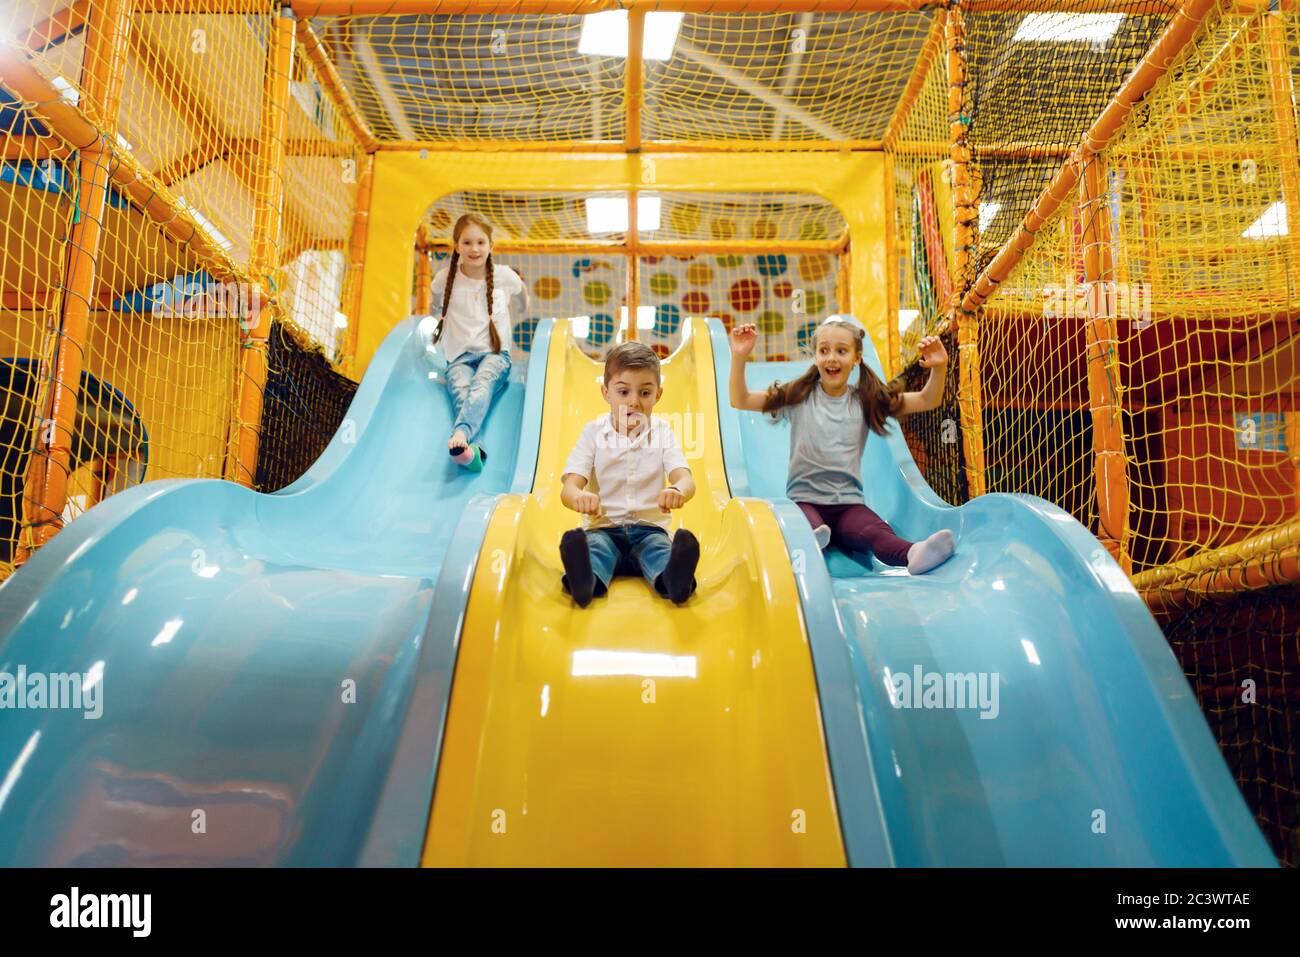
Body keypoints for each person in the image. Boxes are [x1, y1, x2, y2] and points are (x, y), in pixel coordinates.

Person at [728, 316, 955, 574]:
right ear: (815, 356)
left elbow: (928, 399)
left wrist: (939, 368)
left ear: (857, 357)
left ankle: (914, 552)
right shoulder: (797, 397)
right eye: (823, 351)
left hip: (848, 506)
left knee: (876, 532)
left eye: (841, 351)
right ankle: (809, 545)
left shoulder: (866, 400)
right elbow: (741, 399)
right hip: (806, 501)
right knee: (808, 526)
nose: (831, 358)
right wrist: (739, 357)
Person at [558, 341, 700, 607]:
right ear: (606, 392)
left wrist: (678, 491)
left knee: (661, 551)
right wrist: (579, 498)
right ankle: (583, 583)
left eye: (645, 393)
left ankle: (676, 582)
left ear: (658, 395)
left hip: (649, 530)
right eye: (623, 392)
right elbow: (569, 488)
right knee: (595, 549)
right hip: (604, 528)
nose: (634, 401)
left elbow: (685, 479)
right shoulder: (593, 433)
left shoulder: (663, 432)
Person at [430, 212, 528, 471]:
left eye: (481, 242)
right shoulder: (443, 279)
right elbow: (434, 305)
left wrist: (521, 308)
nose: (474, 249)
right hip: (459, 358)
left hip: (496, 357)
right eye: (467, 242)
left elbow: (522, 293)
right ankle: (474, 453)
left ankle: (461, 433)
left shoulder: (503, 276)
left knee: (481, 383)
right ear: (456, 246)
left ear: (491, 246)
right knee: (461, 389)